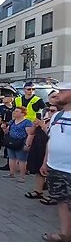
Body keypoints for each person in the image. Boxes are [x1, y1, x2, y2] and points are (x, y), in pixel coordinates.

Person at [41, 83, 71, 242]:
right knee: (62, 201)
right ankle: (65, 234)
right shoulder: (56, 116)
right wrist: (45, 162)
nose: (58, 94)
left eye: (63, 91)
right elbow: (51, 140)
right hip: (55, 167)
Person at [2, 106, 33, 182]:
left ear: (23, 113)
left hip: (21, 143)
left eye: (17, 111)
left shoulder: (27, 122)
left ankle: (22, 177)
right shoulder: (12, 121)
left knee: (22, 160)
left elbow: (30, 134)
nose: (14, 113)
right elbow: (7, 132)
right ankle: (11, 173)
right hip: (11, 142)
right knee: (11, 158)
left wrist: (27, 144)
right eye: (14, 111)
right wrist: (3, 128)